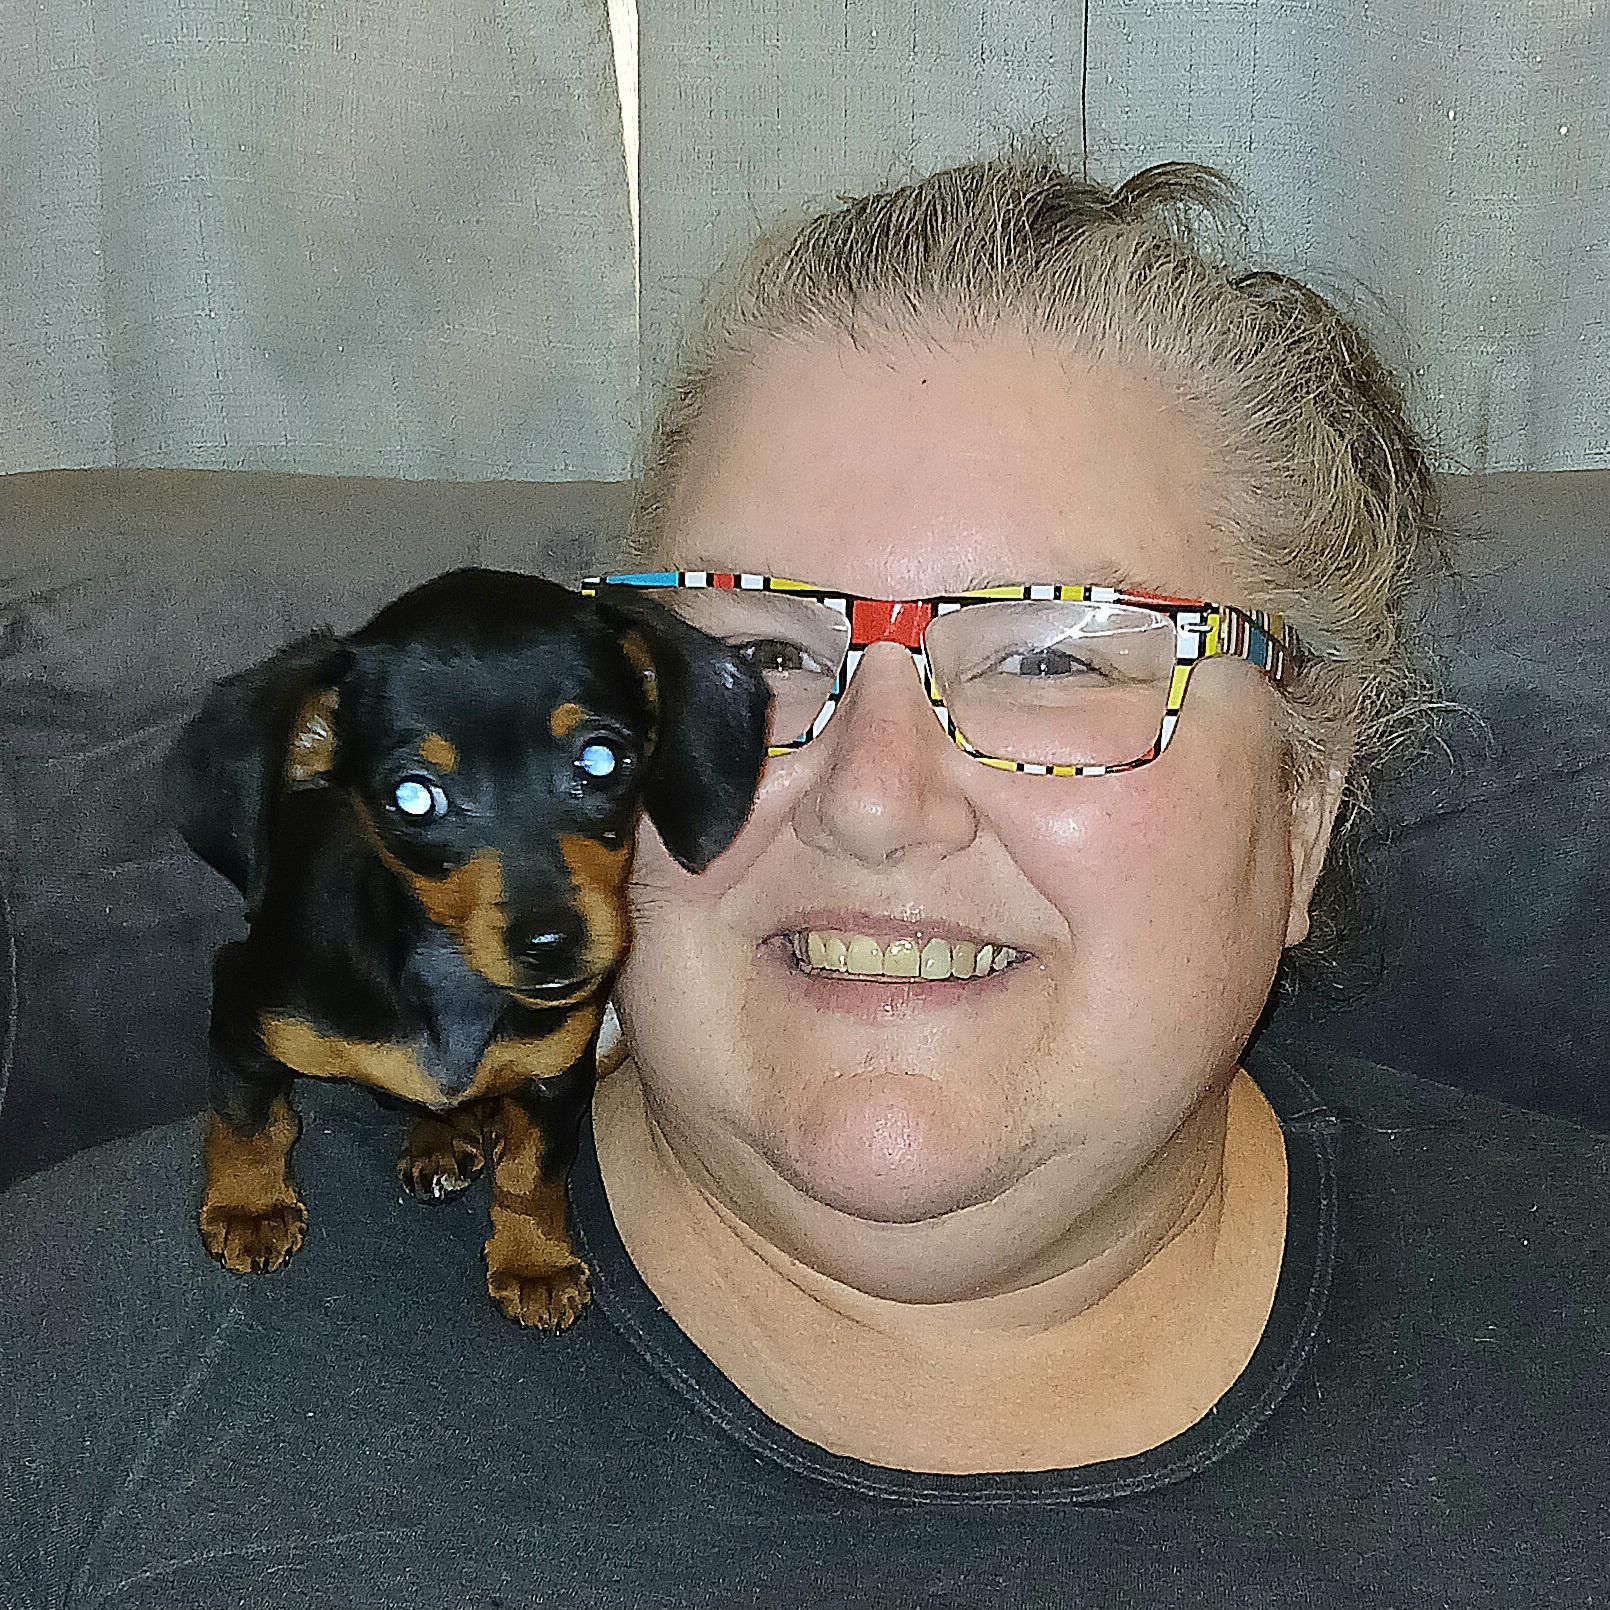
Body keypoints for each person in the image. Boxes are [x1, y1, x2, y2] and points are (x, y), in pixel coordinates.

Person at [1, 154, 1603, 1608]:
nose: (874, 799)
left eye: (1053, 658)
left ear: (1305, 804)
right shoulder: (81, 1354)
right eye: (758, 656)